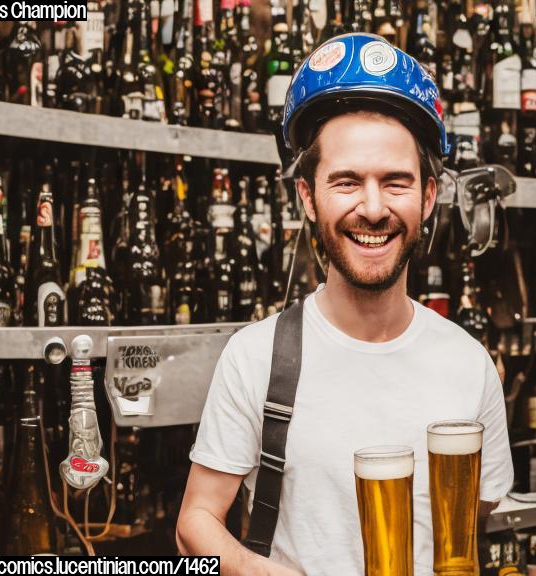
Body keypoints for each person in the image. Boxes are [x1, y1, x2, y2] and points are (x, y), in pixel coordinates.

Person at [176, 34, 514, 575]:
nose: (373, 208)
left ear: (428, 198)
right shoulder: (256, 357)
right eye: (347, 182)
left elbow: (472, 523)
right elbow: (195, 521)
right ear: (308, 197)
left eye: (396, 182)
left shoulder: (469, 363)